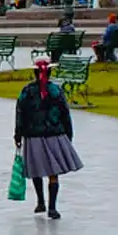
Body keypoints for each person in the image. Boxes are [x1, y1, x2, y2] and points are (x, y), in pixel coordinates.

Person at [13, 59, 82, 219]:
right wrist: (68, 135)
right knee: (53, 172)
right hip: (55, 135)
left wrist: (18, 134)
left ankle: (40, 202)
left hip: (33, 136)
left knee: (36, 169)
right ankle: (52, 207)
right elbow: (65, 114)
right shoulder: (56, 91)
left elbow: (20, 114)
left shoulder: (27, 91)